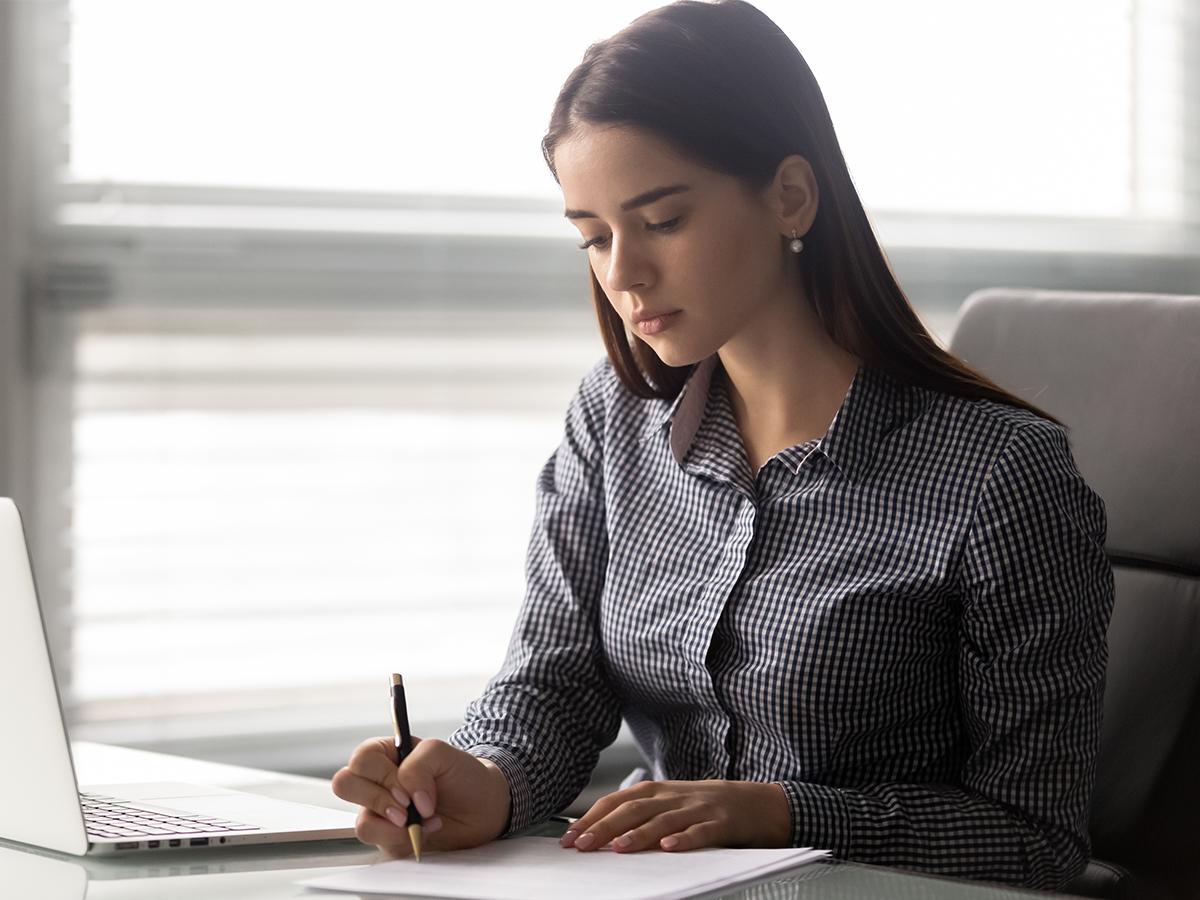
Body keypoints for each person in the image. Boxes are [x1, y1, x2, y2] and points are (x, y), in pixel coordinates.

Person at [331, 0, 1115, 890]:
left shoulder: (1001, 475)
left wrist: (781, 811)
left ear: (789, 194)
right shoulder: (612, 418)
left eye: (662, 221)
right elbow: (555, 680)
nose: (623, 274)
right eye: (594, 237)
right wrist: (490, 781)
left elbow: (1034, 841)